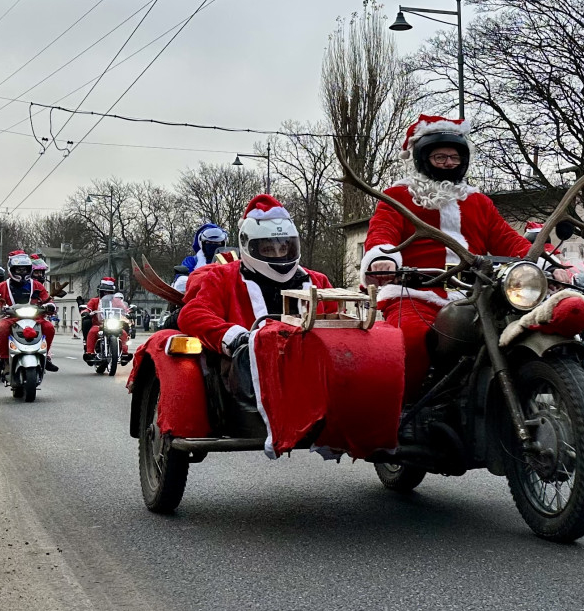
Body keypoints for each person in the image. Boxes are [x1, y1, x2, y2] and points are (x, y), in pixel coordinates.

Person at [362, 114, 534, 400]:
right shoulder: (398, 196)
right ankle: (403, 410)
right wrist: (383, 257)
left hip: (477, 295)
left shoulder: (479, 202)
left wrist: (542, 262)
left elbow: (508, 239)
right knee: (410, 339)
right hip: (415, 294)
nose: (448, 163)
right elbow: (382, 231)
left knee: (514, 334)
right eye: (439, 157)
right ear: (421, 158)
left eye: (454, 157)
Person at [178, 195, 336, 402]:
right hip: (247, 382)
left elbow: (337, 317)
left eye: (284, 248)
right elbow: (193, 314)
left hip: (314, 372)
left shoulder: (317, 280)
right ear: (249, 246)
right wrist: (234, 337)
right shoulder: (224, 278)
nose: (278, 255)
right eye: (268, 248)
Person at [0, 252, 59, 372]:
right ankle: (3, 359)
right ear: (11, 270)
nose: (22, 273)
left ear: (30, 270)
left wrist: (50, 306)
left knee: (49, 327)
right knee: (0, 327)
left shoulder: (37, 285)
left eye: (25, 269)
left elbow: (47, 299)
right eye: (18, 270)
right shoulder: (2, 286)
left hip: (35, 318)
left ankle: (46, 357)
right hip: (10, 318)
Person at [81, 277, 132, 365]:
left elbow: (124, 309)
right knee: (92, 331)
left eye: (109, 292)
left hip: (114, 323)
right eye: (104, 291)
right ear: (100, 291)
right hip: (99, 324)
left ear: (112, 293)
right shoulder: (94, 301)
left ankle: (124, 354)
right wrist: (86, 312)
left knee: (123, 333)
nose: (106, 294)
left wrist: (129, 313)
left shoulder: (117, 301)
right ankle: (90, 353)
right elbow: (87, 308)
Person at [172, 224, 228, 293]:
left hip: (223, 296)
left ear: (223, 244)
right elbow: (181, 281)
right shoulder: (191, 261)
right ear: (202, 243)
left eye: (217, 243)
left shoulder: (229, 260)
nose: (213, 245)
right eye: (209, 242)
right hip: (196, 296)